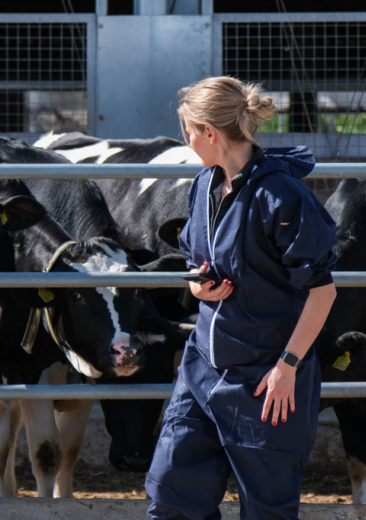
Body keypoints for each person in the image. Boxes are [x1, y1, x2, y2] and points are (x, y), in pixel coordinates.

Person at [145, 76, 338, 520]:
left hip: (266, 378)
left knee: (267, 510)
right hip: (203, 368)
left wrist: (287, 366)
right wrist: (197, 286)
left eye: (189, 131)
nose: (188, 141)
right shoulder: (203, 187)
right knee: (172, 495)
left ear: (209, 132)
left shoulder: (281, 196)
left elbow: (323, 291)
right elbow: (197, 263)